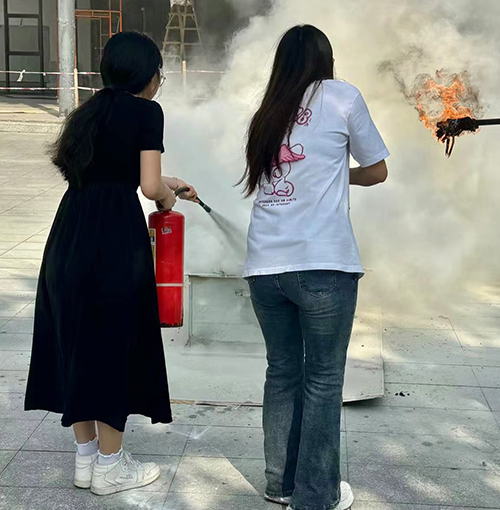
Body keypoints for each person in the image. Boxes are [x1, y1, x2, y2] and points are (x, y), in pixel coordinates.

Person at [25, 31, 198, 496]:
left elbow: (122, 172)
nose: (159, 80)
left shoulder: (88, 111)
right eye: (159, 72)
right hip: (114, 237)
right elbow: (148, 186)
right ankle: (111, 466)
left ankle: (86, 460)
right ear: (147, 74)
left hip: (69, 233)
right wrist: (167, 199)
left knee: (77, 339)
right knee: (114, 341)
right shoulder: (147, 112)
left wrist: (169, 182)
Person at [241, 25, 389, 510]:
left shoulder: (266, 112)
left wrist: (324, 172)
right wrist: (337, 173)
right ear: (326, 60)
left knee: (282, 372)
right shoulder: (343, 97)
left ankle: (280, 484)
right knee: (323, 380)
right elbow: (377, 170)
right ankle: (317, 496)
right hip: (323, 264)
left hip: (264, 266)